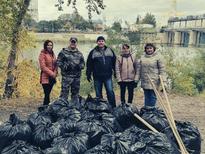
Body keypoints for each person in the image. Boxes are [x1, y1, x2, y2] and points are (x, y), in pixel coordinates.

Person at [86, 36, 116, 108]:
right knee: (98, 93)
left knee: (110, 92)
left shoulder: (110, 51)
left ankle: (113, 106)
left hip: (108, 76)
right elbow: (89, 63)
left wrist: (115, 72)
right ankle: (100, 107)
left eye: (102, 41)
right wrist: (88, 73)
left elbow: (114, 62)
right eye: (99, 41)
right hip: (97, 76)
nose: (101, 42)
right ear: (97, 43)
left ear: (104, 42)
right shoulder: (93, 52)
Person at [39, 40, 58, 105]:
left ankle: (47, 107)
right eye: (48, 45)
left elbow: (56, 64)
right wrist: (51, 73)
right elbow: (43, 67)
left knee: (49, 93)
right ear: (45, 46)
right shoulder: (42, 54)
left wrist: (55, 73)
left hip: (52, 77)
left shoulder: (52, 53)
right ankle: (45, 107)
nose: (49, 46)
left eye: (51, 45)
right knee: (46, 94)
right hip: (45, 77)